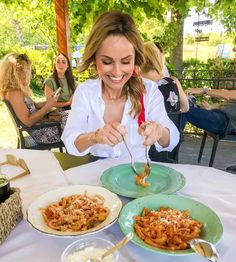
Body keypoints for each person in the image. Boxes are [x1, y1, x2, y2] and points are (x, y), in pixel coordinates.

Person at [61, 10, 179, 160]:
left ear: (135, 59)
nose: (117, 72)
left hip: (139, 176)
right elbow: (71, 143)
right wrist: (95, 137)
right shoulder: (85, 92)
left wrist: (160, 131)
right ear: (94, 59)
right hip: (97, 172)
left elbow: (172, 139)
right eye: (107, 62)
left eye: (125, 62)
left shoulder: (148, 90)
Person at [0, 53, 68, 144]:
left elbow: (34, 105)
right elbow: (28, 121)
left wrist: (48, 101)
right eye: (28, 70)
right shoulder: (13, 94)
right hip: (41, 133)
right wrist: (47, 106)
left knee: (74, 115)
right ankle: (84, 152)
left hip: (43, 126)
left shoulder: (17, 90)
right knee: (77, 120)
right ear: (18, 72)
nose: (30, 74)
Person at [141, 41, 189, 113]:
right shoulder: (173, 82)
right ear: (158, 58)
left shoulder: (135, 84)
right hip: (172, 123)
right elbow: (185, 108)